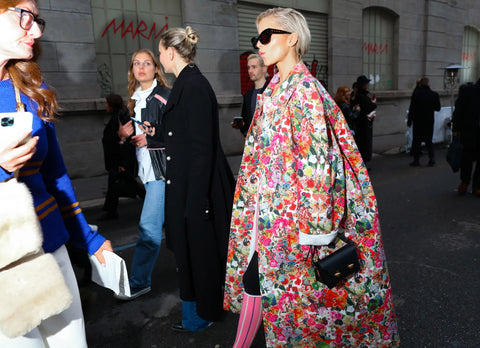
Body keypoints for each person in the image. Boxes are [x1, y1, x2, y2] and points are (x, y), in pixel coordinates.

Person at [223, 7, 400, 347]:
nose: (258, 45)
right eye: (255, 38)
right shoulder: (277, 86)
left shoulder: (303, 89)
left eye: (265, 36)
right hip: (271, 214)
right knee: (266, 289)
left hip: (293, 225)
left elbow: (319, 164)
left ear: (291, 38)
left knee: (297, 308)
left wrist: (317, 234)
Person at [0, 1, 113, 346]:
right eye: (25, 16)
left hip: (51, 246)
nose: (35, 30)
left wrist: (88, 239)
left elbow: (56, 176)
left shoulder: (29, 88)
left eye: (37, 20)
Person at [158, 26, 235, 332]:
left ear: (171, 52)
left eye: (161, 51)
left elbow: (202, 149)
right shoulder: (186, 84)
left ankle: (202, 314)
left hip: (195, 186)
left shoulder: (195, 86)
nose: (160, 57)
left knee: (200, 252)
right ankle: (196, 313)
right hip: (184, 184)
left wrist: (197, 200)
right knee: (189, 251)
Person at [114, 49, 171, 300]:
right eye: (136, 63)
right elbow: (135, 141)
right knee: (178, 225)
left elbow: (177, 134)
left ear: (156, 68)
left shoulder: (164, 96)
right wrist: (123, 138)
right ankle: (198, 268)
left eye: (147, 63)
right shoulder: (134, 100)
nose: (141, 67)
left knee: (148, 229)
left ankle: (138, 282)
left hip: (162, 172)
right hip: (147, 172)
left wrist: (150, 139)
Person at [100, 94, 140, 220]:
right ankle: (111, 211)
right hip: (115, 159)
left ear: (112, 104)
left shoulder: (119, 118)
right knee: (114, 185)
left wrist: (122, 163)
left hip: (119, 160)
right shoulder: (117, 117)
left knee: (132, 185)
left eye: (107, 103)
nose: (106, 105)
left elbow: (124, 141)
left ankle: (158, 207)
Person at [452, 79, 480, 195]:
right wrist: (456, 128)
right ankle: (465, 182)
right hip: (470, 130)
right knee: (467, 158)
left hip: (470, 131)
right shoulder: (469, 91)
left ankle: (476, 186)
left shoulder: (468, 91)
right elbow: (458, 110)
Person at [231, 53, 268, 136]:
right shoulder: (248, 95)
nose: (250, 71)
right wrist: (241, 125)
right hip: (252, 143)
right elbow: (246, 123)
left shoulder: (273, 91)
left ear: (264, 68)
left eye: (254, 67)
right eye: (248, 67)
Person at [407, 77, 441, 167]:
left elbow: (412, 108)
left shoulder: (416, 94)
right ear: (428, 84)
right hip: (429, 121)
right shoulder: (434, 95)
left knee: (417, 141)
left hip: (418, 121)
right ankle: (431, 159)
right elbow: (438, 108)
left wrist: (409, 121)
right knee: (428, 140)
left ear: (420, 84)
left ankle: (416, 160)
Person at [352, 74, 377, 164]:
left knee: (364, 143)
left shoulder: (361, 95)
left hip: (364, 122)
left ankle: (363, 162)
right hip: (362, 123)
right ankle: (363, 162)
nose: (367, 85)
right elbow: (367, 108)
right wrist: (373, 103)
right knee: (363, 143)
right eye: (366, 83)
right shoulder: (360, 96)